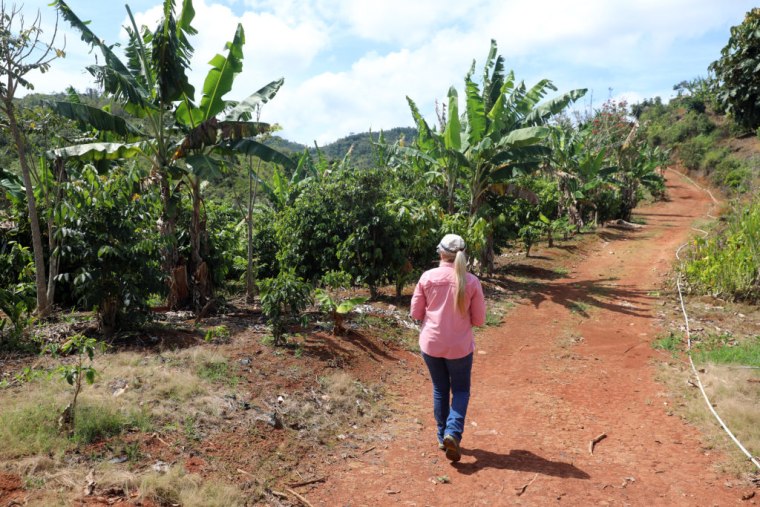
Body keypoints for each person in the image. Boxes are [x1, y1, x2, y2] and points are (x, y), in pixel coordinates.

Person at [410, 234, 486, 462]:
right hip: (460, 347)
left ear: (440, 253)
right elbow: (479, 320)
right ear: (463, 253)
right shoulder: (471, 281)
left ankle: (442, 434)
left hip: (431, 344)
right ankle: (452, 432)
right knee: (461, 390)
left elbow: (415, 313)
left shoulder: (427, 277)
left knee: (440, 389)